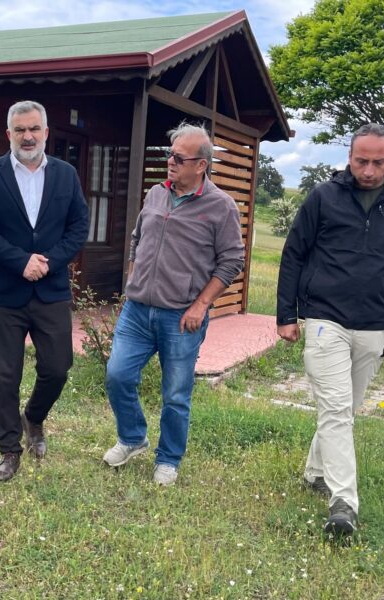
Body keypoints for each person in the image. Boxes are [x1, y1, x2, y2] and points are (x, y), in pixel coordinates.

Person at [276, 123, 384, 535]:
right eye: (362, 161)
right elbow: (294, 254)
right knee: (337, 410)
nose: (369, 170)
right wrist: (286, 314)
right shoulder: (324, 196)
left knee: (344, 408)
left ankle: (315, 471)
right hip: (325, 317)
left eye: (379, 162)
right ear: (349, 157)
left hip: (374, 322)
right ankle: (344, 503)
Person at [103, 122, 244, 486]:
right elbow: (137, 238)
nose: (170, 161)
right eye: (170, 154)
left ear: (202, 165)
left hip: (181, 317)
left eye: (179, 158)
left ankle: (168, 459)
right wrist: (133, 277)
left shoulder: (221, 206)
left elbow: (232, 261)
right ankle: (132, 437)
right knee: (117, 376)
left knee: (176, 395)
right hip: (137, 310)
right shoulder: (155, 194)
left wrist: (201, 305)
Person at [0, 100, 89, 482]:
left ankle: (33, 416)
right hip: (4, 292)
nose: (28, 136)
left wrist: (49, 262)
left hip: (51, 290)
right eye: (20, 129)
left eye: (34, 128)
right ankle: (9, 450)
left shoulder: (66, 175)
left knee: (58, 368)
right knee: (4, 376)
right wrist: (20, 261)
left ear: (46, 132)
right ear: (9, 134)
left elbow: (78, 226)